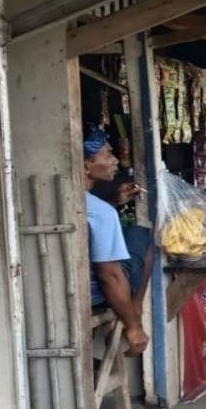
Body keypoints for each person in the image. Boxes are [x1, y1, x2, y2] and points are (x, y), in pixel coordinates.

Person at [84, 124, 151, 357]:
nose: (115, 161)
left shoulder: (81, 202)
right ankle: (136, 309)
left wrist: (114, 201)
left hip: (77, 285)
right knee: (142, 235)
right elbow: (109, 274)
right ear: (85, 166)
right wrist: (134, 327)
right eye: (107, 155)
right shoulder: (101, 213)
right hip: (96, 293)